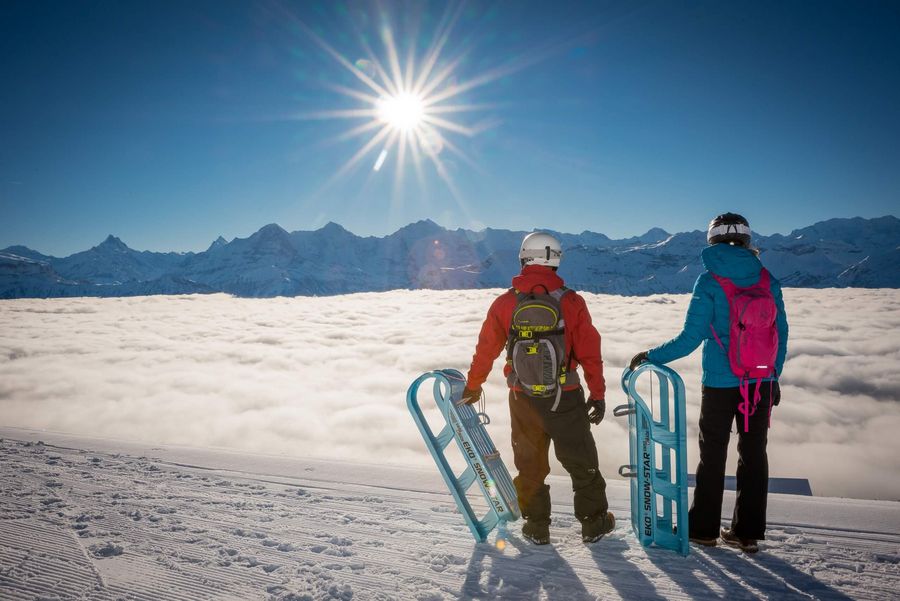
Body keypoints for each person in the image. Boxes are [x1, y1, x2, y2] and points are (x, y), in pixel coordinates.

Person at [629, 212, 788, 553]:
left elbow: (691, 337)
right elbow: (781, 333)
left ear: (711, 239)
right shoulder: (766, 278)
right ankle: (747, 533)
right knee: (754, 452)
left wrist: (650, 356)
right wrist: (773, 376)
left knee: (712, 453)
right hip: (759, 381)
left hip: (719, 382)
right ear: (747, 239)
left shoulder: (709, 280)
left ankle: (703, 529)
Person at [462, 231, 614, 545]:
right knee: (581, 460)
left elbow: (486, 349)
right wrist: (597, 394)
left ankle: (536, 526)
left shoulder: (505, 302)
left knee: (529, 463)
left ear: (524, 258)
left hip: (522, 397)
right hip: (566, 396)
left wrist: (473, 386)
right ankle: (593, 523)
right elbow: (590, 353)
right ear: (555, 261)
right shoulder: (571, 301)